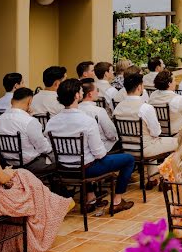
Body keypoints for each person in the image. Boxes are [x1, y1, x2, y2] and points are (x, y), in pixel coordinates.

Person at [0, 114, 73, 252]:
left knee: (24, 177)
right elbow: (2, 179)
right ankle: (55, 203)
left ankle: (55, 201)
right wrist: (8, 172)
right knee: (26, 178)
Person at [45, 78, 135, 213]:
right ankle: (117, 200)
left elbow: (49, 148)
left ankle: (91, 197)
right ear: (77, 95)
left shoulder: (52, 121)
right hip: (87, 169)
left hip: (63, 169)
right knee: (129, 159)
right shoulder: (87, 121)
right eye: (80, 91)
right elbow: (99, 154)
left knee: (88, 158)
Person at [113, 73, 177, 180]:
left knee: (153, 140)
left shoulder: (118, 108)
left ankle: (153, 178)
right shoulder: (145, 108)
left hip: (126, 149)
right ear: (139, 87)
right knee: (180, 142)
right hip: (145, 148)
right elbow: (156, 132)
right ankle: (168, 177)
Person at [0, 88, 53, 172]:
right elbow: (44, 148)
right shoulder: (29, 121)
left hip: (7, 164)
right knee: (56, 159)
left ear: (11, 101)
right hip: (30, 165)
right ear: (30, 101)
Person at [78, 79, 119, 153]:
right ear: (90, 94)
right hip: (102, 147)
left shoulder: (76, 109)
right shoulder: (99, 111)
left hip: (83, 148)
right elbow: (111, 133)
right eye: (97, 90)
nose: (98, 92)